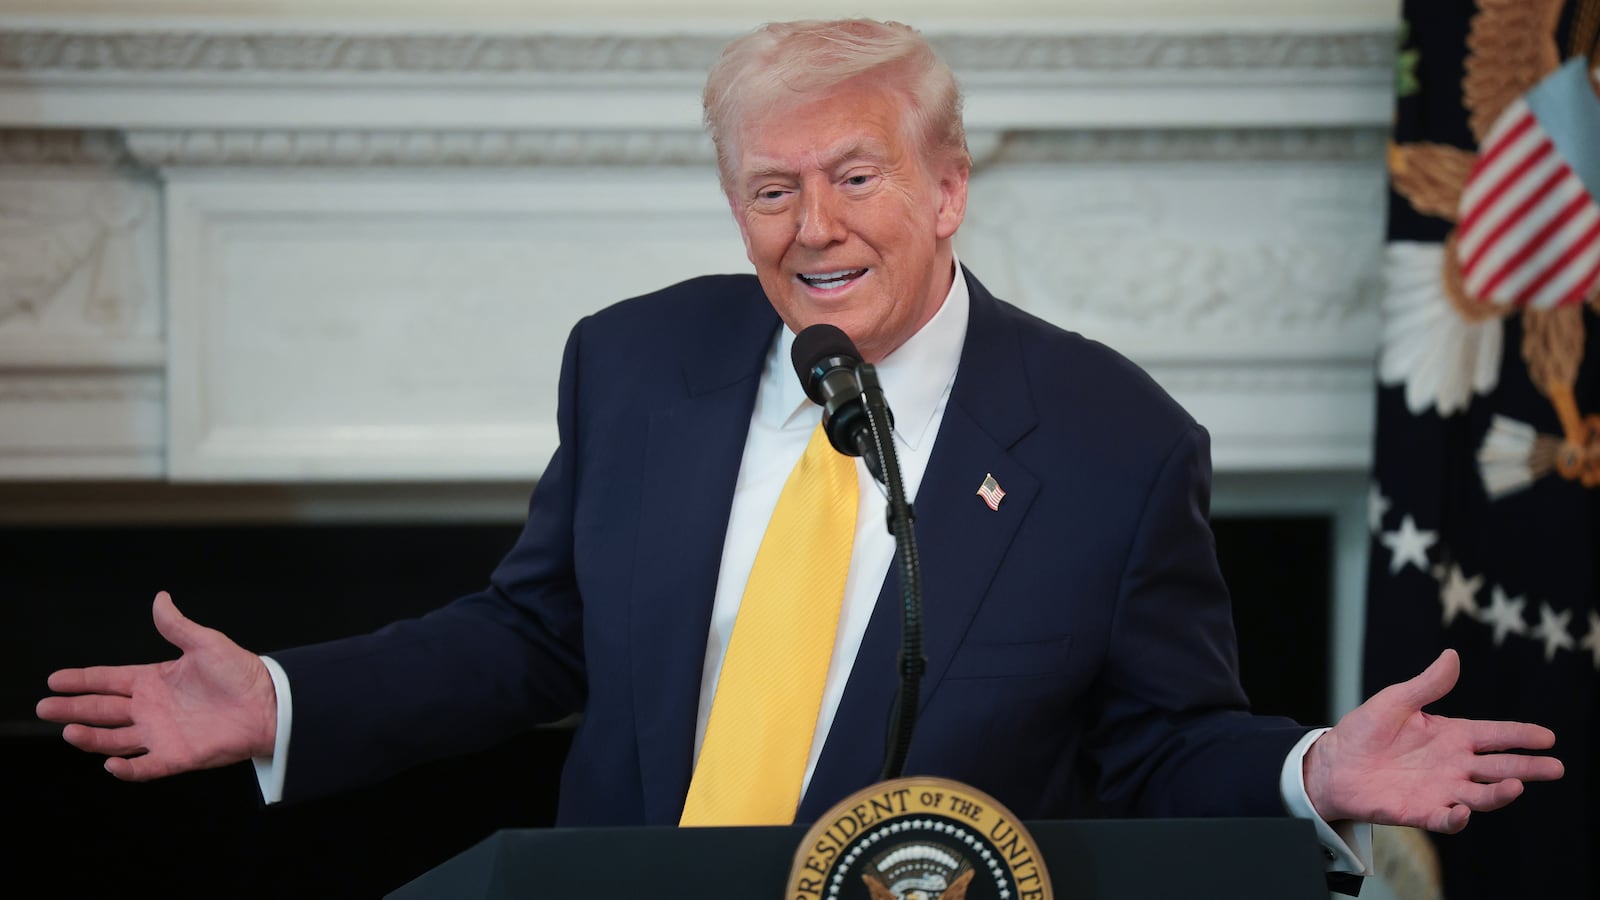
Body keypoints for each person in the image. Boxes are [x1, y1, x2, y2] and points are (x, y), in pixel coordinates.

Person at [37, 17, 1561, 886]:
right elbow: (537, 636)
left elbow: (1155, 743)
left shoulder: (1115, 442)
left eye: (853, 175)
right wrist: (291, 697)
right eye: (769, 189)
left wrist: (1312, 767)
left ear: (949, 187)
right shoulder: (637, 363)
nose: (812, 227)